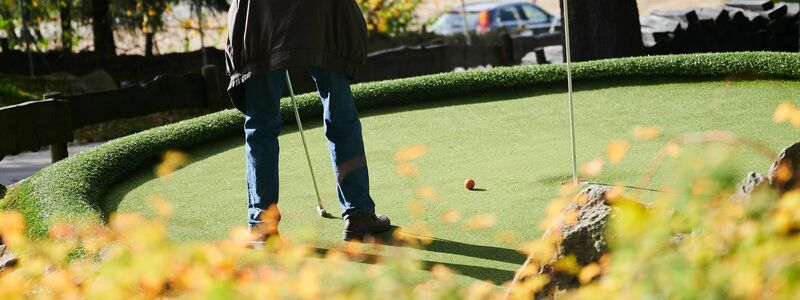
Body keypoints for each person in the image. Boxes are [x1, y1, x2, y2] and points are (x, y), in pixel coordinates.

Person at [225, 0, 391, 241]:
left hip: (262, 19)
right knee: (341, 117)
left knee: (261, 126)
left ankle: (262, 225)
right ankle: (358, 214)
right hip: (319, 15)